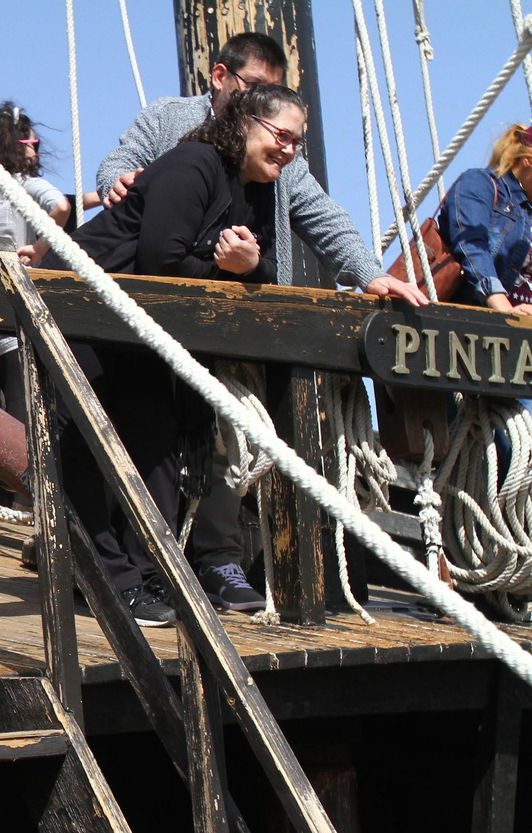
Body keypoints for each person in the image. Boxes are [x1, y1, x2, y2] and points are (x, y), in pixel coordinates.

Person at [96, 32, 428, 613]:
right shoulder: (177, 129)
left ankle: (217, 561)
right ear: (221, 78)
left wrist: (372, 275)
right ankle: (137, 566)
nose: (289, 146)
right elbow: (123, 169)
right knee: (141, 438)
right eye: (256, 90)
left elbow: (323, 217)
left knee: (226, 438)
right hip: (139, 316)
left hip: (221, 319)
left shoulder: (273, 161)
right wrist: (118, 184)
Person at [51, 84, 305, 626]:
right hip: (86, 311)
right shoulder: (195, 164)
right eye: (282, 136)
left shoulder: (257, 191)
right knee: (83, 442)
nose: (288, 150)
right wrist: (227, 270)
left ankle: (146, 574)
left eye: (297, 143)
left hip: (141, 330)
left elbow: (260, 272)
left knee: (160, 444)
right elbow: (159, 261)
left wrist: (245, 268)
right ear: (246, 124)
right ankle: (111, 579)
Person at [0, 102, 70, 433]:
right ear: (14, 144)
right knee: (21, 406)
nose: (37, 149)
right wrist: (40, 248)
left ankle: (1, 480)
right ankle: (16, 481)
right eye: (32, 143)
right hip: (8, 307)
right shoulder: (22, 184)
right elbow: (62, 206)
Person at [438, 124, 532, 315]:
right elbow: (471, 244)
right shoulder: (478, 184)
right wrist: (505, 309)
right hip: (474, 325)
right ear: (528, 160)